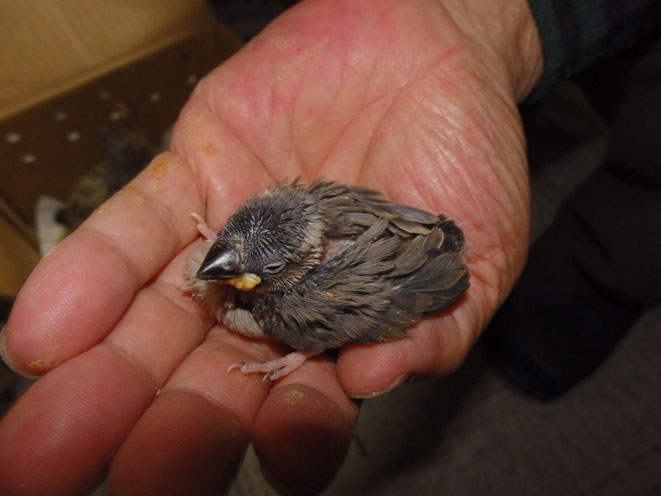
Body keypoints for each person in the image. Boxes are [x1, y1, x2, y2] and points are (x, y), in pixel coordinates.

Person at [0, 0, 658, 494]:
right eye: (231, 240)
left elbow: (277, 302)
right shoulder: (295, 207)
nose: (226, 259)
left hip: (408, 271)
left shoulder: (295, 306)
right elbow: (257, 243)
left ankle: (561, 319)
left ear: (284, 276)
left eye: (247, 268)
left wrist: (291, 352)